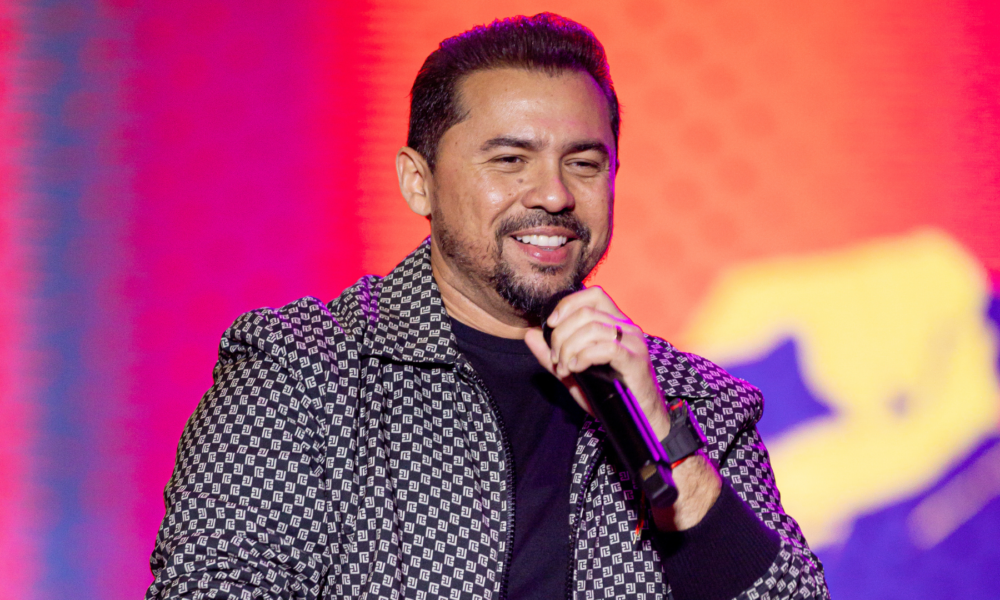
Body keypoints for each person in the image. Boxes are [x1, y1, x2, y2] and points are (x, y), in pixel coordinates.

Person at [147, 13, 829, 600]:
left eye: (584, 163)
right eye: (510, 160)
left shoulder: (698, 406)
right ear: (419, 183)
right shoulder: (305, 374)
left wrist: (664, 441)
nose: (554, 194)